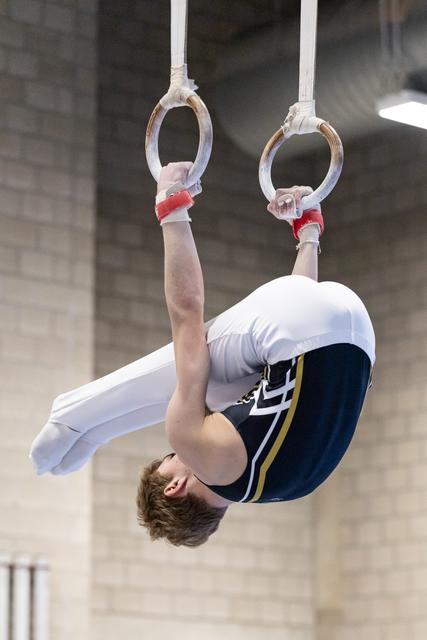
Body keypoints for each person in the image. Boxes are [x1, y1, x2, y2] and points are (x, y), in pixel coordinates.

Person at [30, 162, 375, 548]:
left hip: (357, 335)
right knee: (193, 366)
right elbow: (186, 314)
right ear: (176, 487)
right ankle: (74, 418)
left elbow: (307, 338)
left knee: (232, 392)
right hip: (301, 330)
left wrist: (309, 232)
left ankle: (308, 227)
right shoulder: (204, 455)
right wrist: (171, 208)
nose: (176, 450)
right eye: (171, 457)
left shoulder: (291, 487)